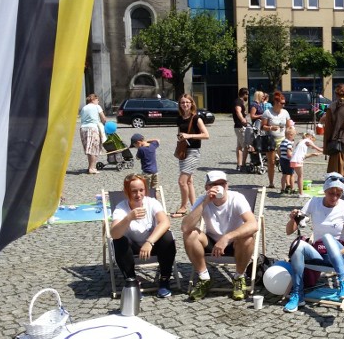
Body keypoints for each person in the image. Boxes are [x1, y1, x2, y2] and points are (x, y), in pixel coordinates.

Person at [283, 172, 344, 312]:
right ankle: (298, 293)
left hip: (342, 254)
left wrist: (336, 253)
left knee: (328, 237)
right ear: (324, 191)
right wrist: (293, 219)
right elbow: (289, 231)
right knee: (298, 245)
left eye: (339, 194)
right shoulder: (314, 202)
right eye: (331, 193)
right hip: (320, 253)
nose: (334, 197)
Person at [181, 171, 259, 301]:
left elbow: (253, 224)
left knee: (248, 238)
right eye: (214, 184)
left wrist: (227, 237)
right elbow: (185, 227)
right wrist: (205, 202)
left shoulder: (236, 198)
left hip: (235, 243)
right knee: (190, 234)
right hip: (211, 242)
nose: (218, 187)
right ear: (207, 187)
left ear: (227, 186)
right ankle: (204, 278)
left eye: (222, 184)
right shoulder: (202, 200)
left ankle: (239, 277)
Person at [110, 173, 176, 298]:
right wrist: (128, 218)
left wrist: (149, 242)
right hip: (132, 247)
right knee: (119, 240)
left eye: (141, 190)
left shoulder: (152, 202)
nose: (138, 195)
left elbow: (165, 222)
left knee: (167, 237)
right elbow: (114, 233)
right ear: (126, 192)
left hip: (152, 245)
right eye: (134, 191)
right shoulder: (121, 208)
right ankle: (132, 282)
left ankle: (164, 279)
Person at [174, 94, 210, 218]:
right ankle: (194, 206)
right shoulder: (180, 118)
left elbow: (206, 135)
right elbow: (180, 133)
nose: (185, 105)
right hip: (183, 152)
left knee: (182, 181)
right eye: (182, 103)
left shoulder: (196, 118)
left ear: (192, 103)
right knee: (189, 181)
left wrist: (190, 136)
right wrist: (180, 137)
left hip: (193, 152)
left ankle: (183, 207)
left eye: (187, 102)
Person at [261, 91, 292, 189]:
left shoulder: (285, 112)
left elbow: (289, 126)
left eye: (284, 103)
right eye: (282, 103)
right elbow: (262, 127)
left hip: (282, 139)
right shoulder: (268, 112)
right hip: (271, 139)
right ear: (276, 102)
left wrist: (291, 138)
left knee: (286, 161)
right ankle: (271, 182)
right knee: (271, 162)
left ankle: (287, 183)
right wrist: (270, 128)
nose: (283, 105)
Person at [79, 93, 108, 174]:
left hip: (83, 129)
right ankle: (92, 168)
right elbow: (103, 118)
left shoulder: (84, 108)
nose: (98, 101)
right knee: (94, 149)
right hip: (92, 128)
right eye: (97, 99)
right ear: (93, 99)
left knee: (89, 148)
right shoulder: (96, 106)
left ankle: (90, 167)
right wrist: (105, 124)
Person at [291, 129, 323, 199]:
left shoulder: (300, 141)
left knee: (299, 175)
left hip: (293, 160)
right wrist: (325, 150)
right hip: (297, 160)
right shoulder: (307, 141)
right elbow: (317, 148)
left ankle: (299, 191)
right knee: (300, 176)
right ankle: (301, 193)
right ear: (310, 136)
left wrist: (313, 154)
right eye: (312, 138)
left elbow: (303, 155)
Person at [233, 88, 250, 171]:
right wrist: (242, 119)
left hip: (239, 126)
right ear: (244, 94)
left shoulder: (241, 102)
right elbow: (237, 110)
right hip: (240, 126)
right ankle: (243, 165)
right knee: (246, 146)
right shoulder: (238, 102)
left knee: (239, 146)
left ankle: (239, 164)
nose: (248, 96)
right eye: (247, 94)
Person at [278, 127, 296, 194]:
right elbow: (289, 154)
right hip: (288, 160)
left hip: (282, 159)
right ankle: (292, 188)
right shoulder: (289, 143)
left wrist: (281, 156)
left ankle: (282, 189)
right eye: (294, 135)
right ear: (290, 135)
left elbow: (279, 150)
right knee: (291, 174)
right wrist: (294, 157)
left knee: (284, 174)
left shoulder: (282, 142)